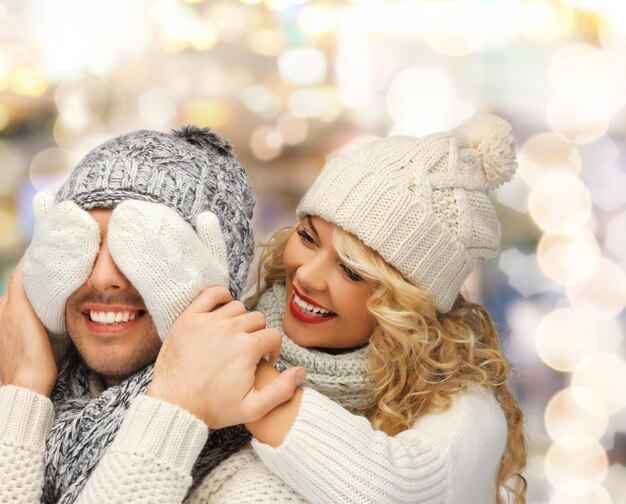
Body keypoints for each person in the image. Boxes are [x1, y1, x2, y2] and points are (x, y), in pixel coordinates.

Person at [185, 114, 528, 502]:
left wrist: (242, 370)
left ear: (406, 303)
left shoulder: (465, 408)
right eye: (309, 237)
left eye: (351, 270)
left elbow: (401, 489)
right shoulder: (248, 315)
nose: (308, 275)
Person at [0, 126, 303, 503]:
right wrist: (24, 388)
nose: (103, 277)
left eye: (145, 250)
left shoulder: (257, 480)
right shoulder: (23, 388)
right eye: (79, 244)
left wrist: (174, 408)